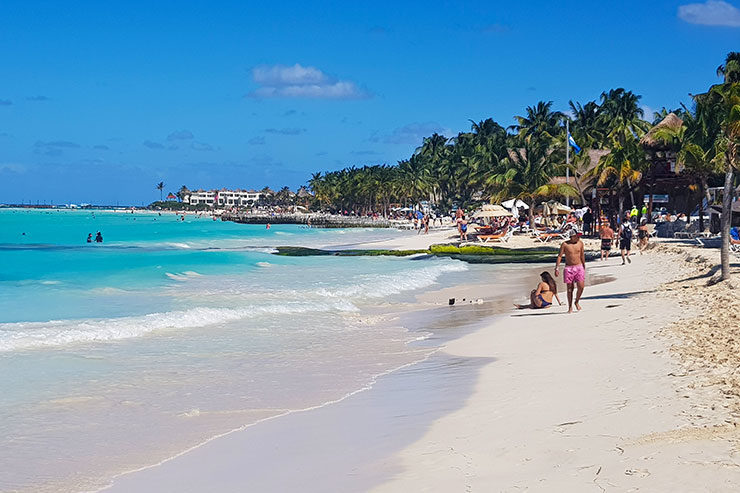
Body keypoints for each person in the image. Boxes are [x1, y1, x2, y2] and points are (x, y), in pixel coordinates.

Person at [555, 228, 585, 313]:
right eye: (577, 236)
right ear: (572, 237)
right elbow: (560, 256)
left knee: (581, 286)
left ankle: (577, 301)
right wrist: (557, 267)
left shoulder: (580, 243)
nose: (578, 238)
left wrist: (584, 265)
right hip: (569, 268)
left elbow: (582, 255)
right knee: (569, 289)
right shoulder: (565, 244)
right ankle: (570, 307)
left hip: (579, 267)